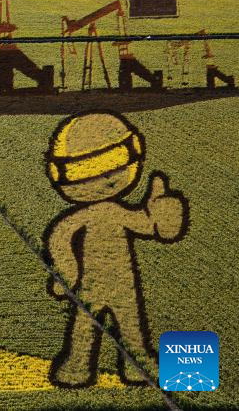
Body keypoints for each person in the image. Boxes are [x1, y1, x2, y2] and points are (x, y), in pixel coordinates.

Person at [43, 110, 188, 387]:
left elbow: (145, 224)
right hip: (96, 284)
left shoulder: (115, 212)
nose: (106, 178)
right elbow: (61, 237)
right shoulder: (97, 214)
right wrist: (67, 272)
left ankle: (108, 366)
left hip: (119, 284)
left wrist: (163, 214)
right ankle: (82, 365)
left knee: (124, 325)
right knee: (88, 324)